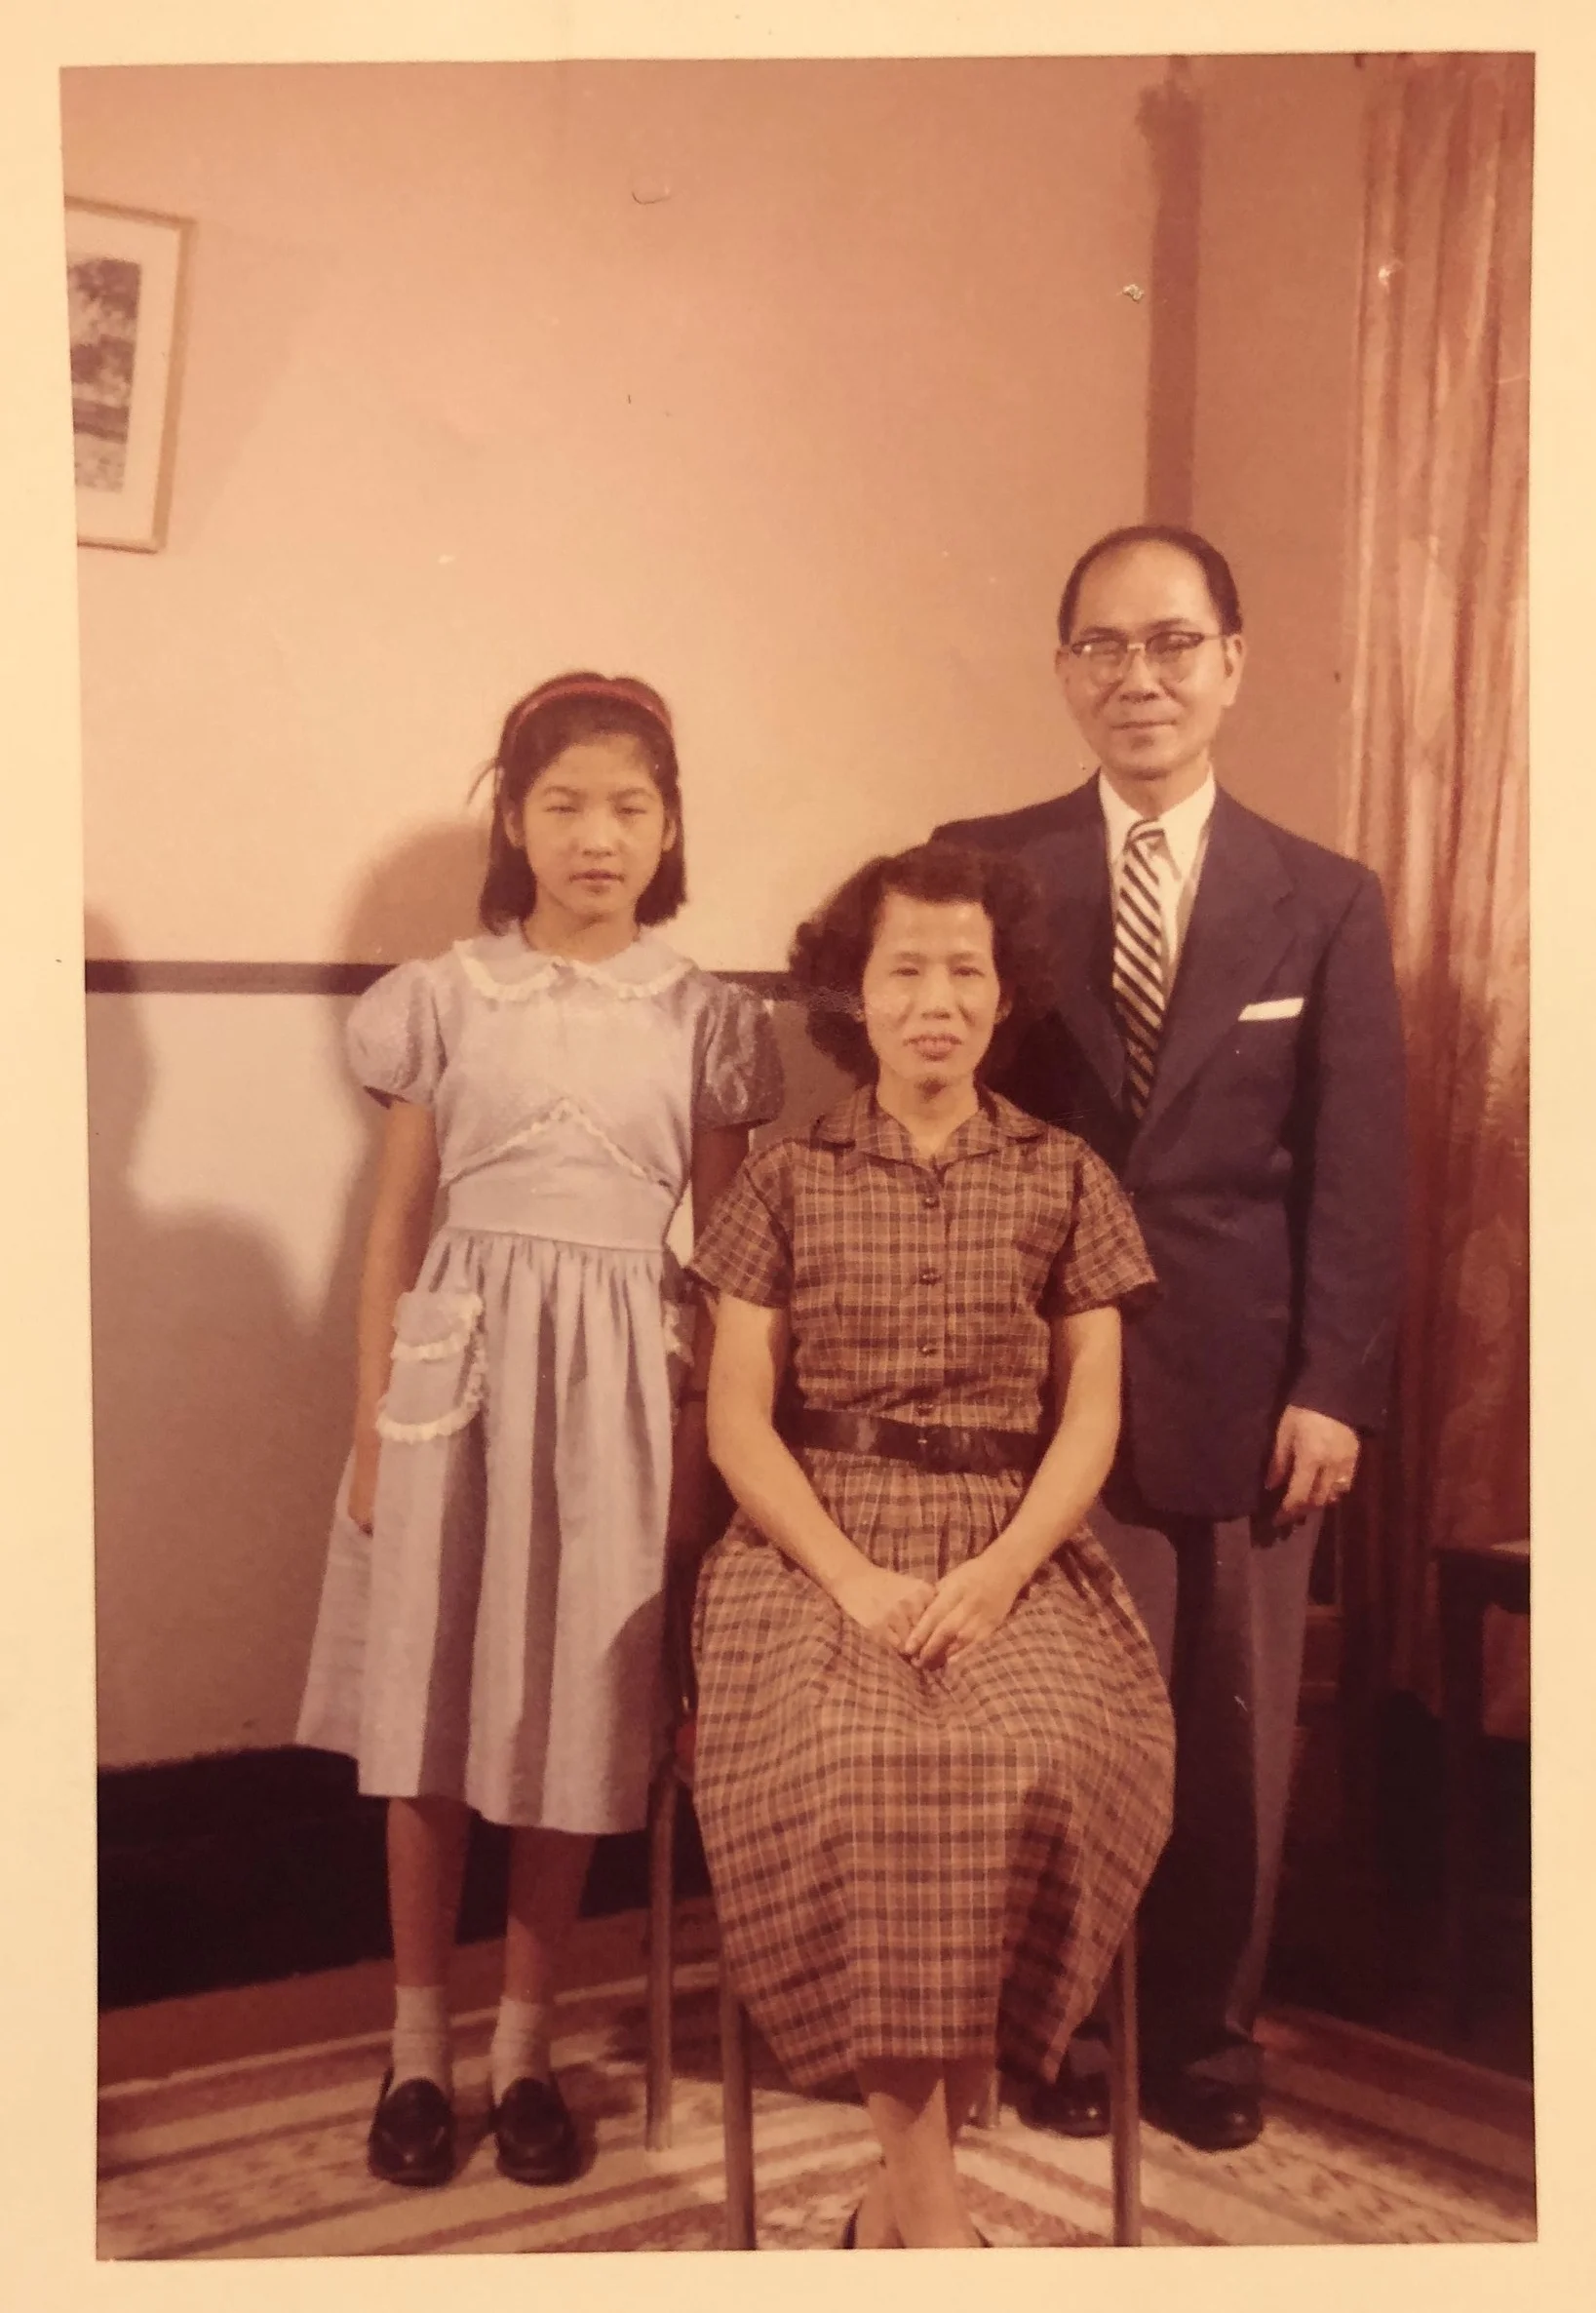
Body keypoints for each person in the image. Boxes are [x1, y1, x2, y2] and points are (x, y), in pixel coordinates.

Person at [934, 525, 1405, 2150]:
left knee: (1228, 1730)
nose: (1138, 679)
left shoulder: (1325, 900)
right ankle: (1057, 2020)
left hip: (1245, 1386)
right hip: (1028, 1378)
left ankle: (1205, 2040)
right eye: (1103, 648)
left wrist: (1334, 1388)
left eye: (1171, 645)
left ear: (1232, 664)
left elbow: (1359, 1169)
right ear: (1064, 669)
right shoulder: (980, 869)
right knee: (1060, 1717)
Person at [297, 672, 782, 2188]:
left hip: (626, 1396)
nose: (597, 836)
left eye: (630, 807)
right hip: (461, 1386)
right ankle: (418, 2045)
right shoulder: (446, 997)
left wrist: (708, 1434)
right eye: (564, 804)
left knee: (576, 1714)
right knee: (432, 1714)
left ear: (669, 826)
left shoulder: (708, 1018)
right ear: (514, 818)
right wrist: (376, 1421)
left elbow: (735, 1246)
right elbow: (393, 1231)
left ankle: (524, 2047)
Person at [688, 842, 1174, 2250]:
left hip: (1013, 1552)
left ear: (1004, 990)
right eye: (906, 968)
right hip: (809, 1550)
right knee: (863, 1766)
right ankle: (943, 2238)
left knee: (1031, 1756)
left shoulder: (1066, 1175)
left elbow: (1090, 1420)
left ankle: (894, 2223)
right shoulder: (782, 1180)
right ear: (855, 989)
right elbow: (735, 1424)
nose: (937, 999)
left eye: (966, 968)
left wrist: (999, 1571)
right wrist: (850, 1578)